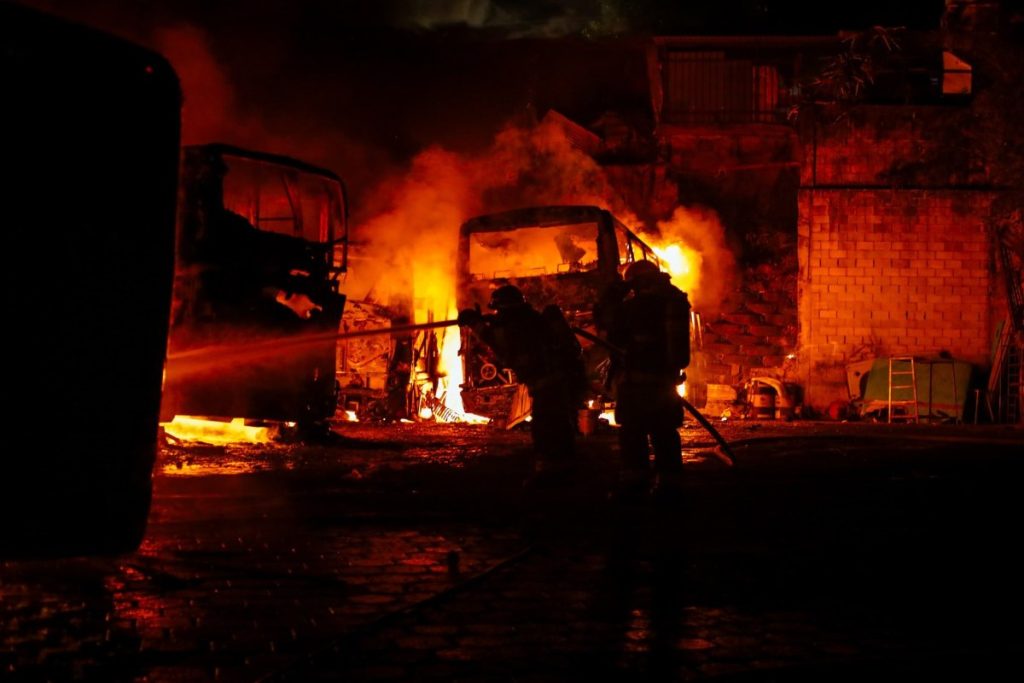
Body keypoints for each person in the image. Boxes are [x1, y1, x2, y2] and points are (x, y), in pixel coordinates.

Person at [458, 284, 586, 482]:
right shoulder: (533, 319)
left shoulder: (512, 327)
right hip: (557, 382)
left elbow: (495, 343)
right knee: (558, 425)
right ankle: (566, 468)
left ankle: (552, 473)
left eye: (498, 309)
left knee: (545, 428)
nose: (497, 313)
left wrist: (475, 323)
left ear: (503, 308)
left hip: (545, 385)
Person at [603, 259, 691, 501]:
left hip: (636, 385)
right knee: (665, 433)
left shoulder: (633, 308)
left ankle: (635, 484)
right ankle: (671, 486)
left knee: (633, 433)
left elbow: (607, 322)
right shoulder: (674, 302)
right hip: (664, 384)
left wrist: (615, 292)